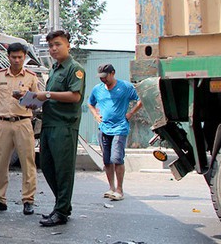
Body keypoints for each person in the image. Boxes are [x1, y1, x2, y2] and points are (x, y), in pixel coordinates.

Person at [35, 30, 85, 227]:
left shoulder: (75, 68)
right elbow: (50, 96)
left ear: (68, 46)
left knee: (63, 170)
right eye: (50, 46)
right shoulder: (55, 69)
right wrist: (35, 101)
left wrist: (47, 95)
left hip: (64, 126)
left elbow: (75, 96)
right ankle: (62, 205)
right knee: (47, 167)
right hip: (49, 123)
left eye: (57, 44)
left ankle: (62, 210)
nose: (53, 49)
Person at [0, 42, 39, 215]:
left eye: (20, 57)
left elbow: (36, 104)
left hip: (23, 123)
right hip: (3, 123)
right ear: (8, 57)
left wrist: (26, 97)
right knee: (0, 163)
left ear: (24, 57)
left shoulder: (31, 77)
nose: (16, 60)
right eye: (13, 57)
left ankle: (28, 201)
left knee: (28, 163)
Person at [88, 63, 143, 201]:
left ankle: (120, 190)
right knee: (107, 160)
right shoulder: (98, 89)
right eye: (101, 77)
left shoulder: (125, 87)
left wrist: (131, 113)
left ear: (113, 73)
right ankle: (111, 188)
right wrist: (95, 115)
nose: (103, 80)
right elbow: (90, 103)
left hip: (120, 128)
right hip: (104, 128)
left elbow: (140, 99)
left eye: (105, 76)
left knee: (117, 159)